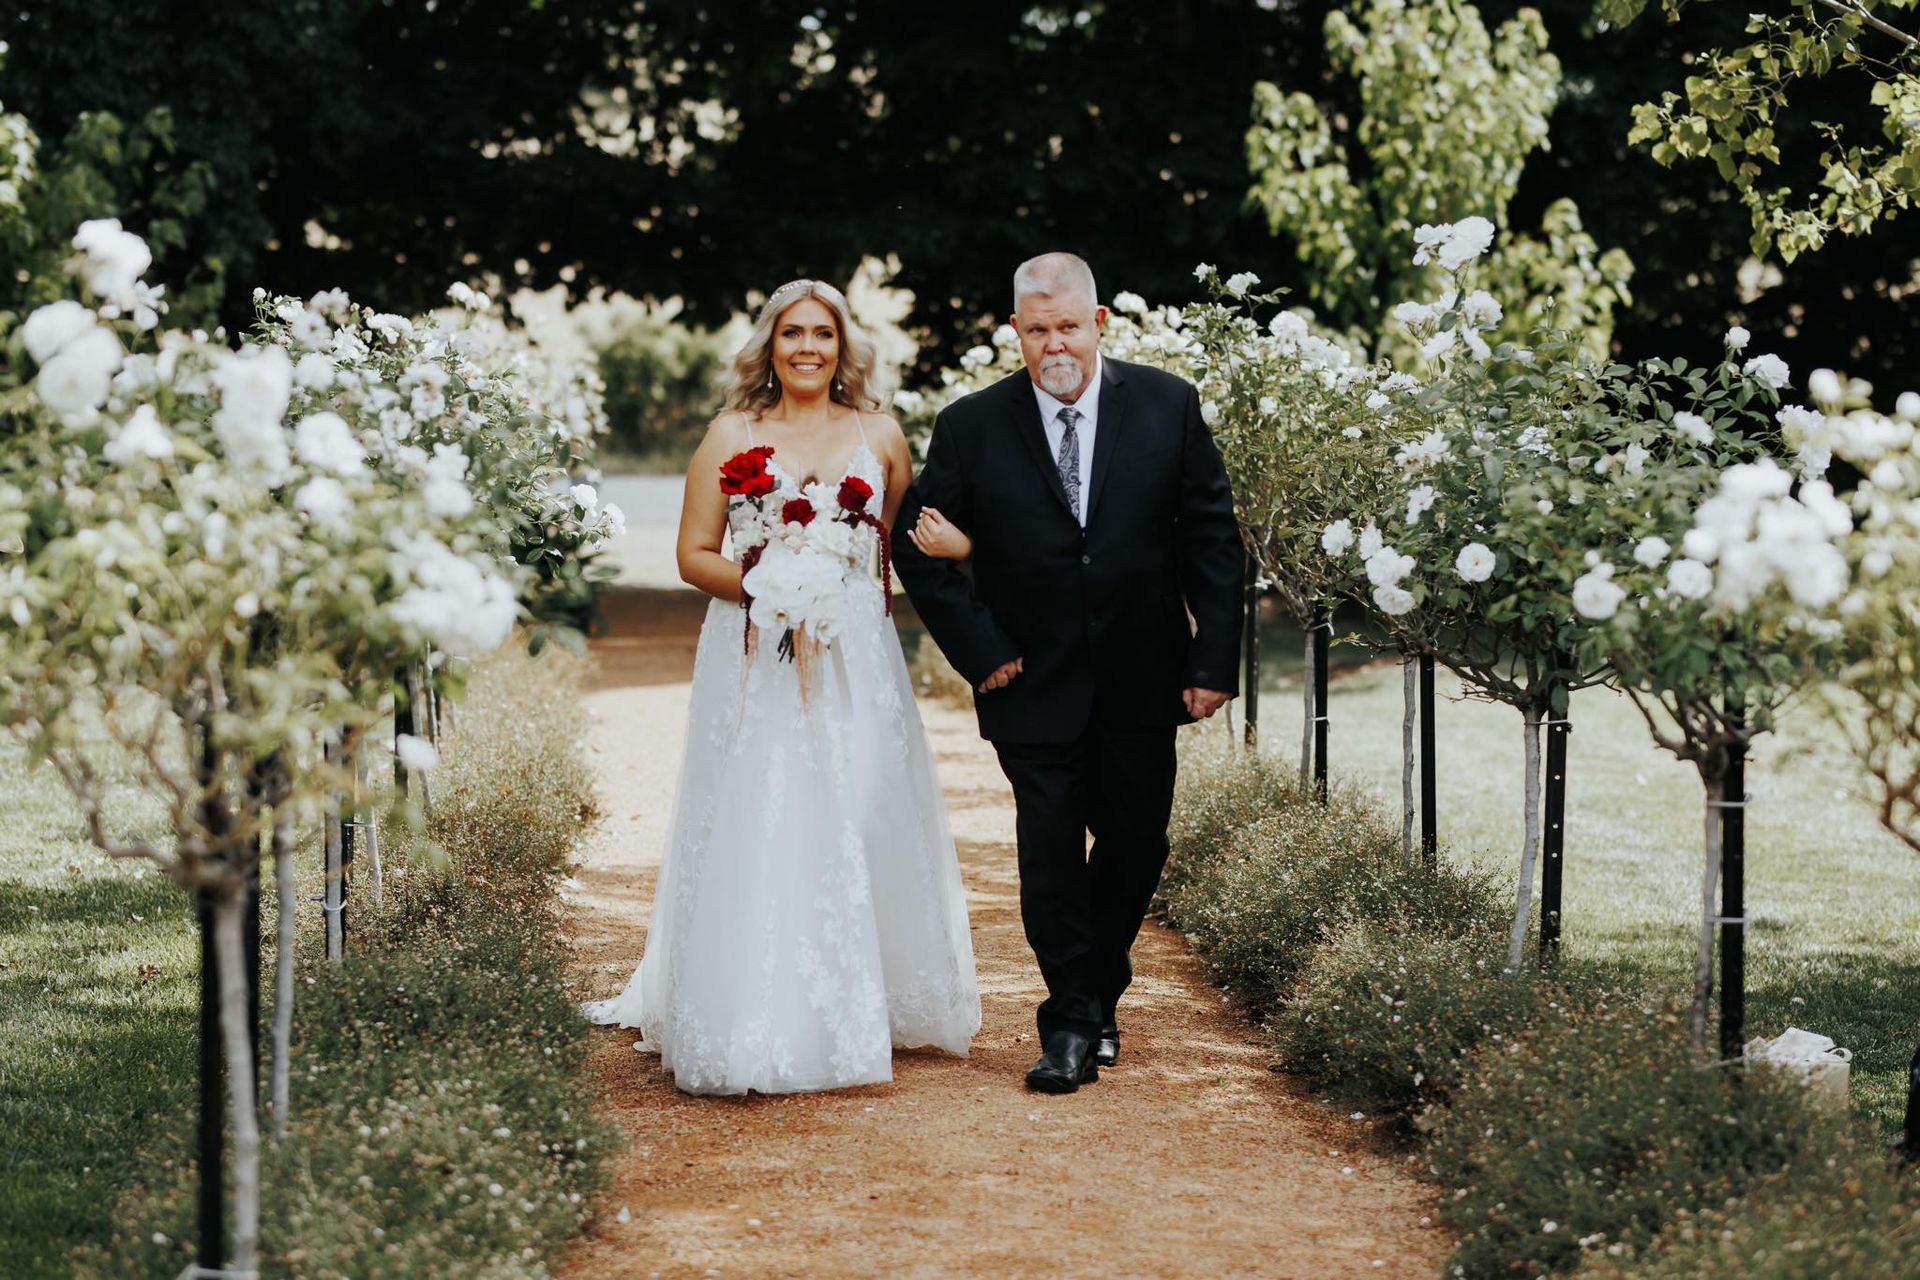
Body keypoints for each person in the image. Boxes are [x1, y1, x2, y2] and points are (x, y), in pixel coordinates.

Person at [585, 279, 980, 1096]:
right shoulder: (732, 433)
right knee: (767, 803)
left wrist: (954, 552)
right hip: (754, 645)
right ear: (769, 344)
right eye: (792, 333)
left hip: (857, 654)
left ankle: (869, 992)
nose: (807, 348)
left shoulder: (881, 434)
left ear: (844, 348)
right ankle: (757, 1001)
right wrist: (771, 590)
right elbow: (694, 553)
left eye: (823, 335)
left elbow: (903, 545)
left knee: (859, 799)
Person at [893, 252, 1244, 1094]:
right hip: (1028, 682)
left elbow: (1212, 543)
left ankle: (1095, 991)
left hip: (1142, 673)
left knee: (1134, 840)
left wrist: (1212, 659)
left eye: (1069, 327)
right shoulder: (972, 425)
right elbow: (920, 547)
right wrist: (982, 652)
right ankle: (1072, 1024)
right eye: (1037, 329)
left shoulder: (1167, 405)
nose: (1055, 344)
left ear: (1098, 325)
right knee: (1050, 848)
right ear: (1016, 331)